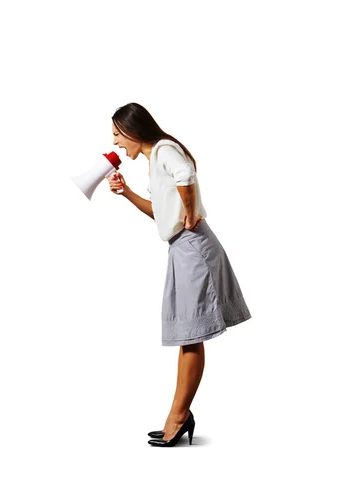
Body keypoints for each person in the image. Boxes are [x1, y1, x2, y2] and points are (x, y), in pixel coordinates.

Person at [107, 103, 251, 447]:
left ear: (132, 130)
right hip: (182, 248)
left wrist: (189, 215)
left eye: (116, 134)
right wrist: (126, 192)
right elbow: (159, 212)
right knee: (189, 333)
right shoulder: (155, 160)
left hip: (192, 247)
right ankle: (179, 414)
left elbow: (186, 176)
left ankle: (178, 416)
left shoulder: (163, 150)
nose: (114, 143)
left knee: (190, 334)